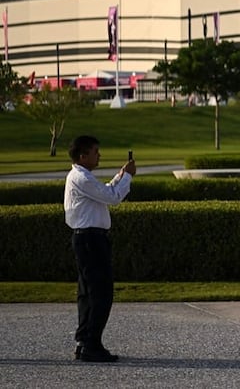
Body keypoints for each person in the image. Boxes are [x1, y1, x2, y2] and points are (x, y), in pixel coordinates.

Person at [63, 135, 136, 363]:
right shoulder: (81, 178)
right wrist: (128, 177)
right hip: (90, 240)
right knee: (100, 293)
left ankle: (84, 341)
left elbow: (103, 193)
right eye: (95, 152)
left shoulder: (82, 177)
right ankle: (91, 344)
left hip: (88, 239)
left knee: (88, 292)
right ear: (83, 156)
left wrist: (119, 177)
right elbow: (112, 198)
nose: (99, 155)